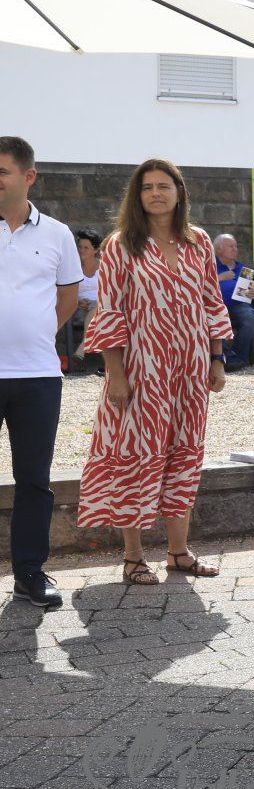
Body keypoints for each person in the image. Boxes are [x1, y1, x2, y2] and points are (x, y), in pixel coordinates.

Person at [77, 158, 229, 586]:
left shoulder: (198, 241)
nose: (156, 194)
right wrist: (116, 375)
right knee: (135, 455)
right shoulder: (121, 245)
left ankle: (178, 552)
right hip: (140, 369)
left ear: (179, 193)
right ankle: (133, 557)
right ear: (137, 196)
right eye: (147, 188)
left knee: (184, 453)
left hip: (190, 369)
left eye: (164, 186)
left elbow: (211, 301)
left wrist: (217, 358)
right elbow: (109, 313)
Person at [0, 136, 82, 607]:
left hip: (37, 375)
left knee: (33, 478)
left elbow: (68, 295)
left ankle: (29, 572)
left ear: (28, 176)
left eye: (2, 171)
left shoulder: (57, 234)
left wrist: (36, 332)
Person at [213, 233, 254, 369]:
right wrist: (220, 278)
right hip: (215, 306)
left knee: (251, 316)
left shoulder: (242, 268)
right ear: (219, 249)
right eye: (231, 246)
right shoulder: (210, 265)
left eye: (236, 246)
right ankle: (227, 355)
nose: (235, 249)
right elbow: (198, 285)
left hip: (239, 306)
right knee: (208, 318)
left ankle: (237, 359)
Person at [67, 228, 101, 364]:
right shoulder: (72, 267)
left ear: (96, 250)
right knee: (99, 308)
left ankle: (83, 346)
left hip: (101, 308)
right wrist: (77, 301)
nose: (82, 250)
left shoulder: (105, 266)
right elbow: (64, 291)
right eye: (80, 247)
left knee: (99, 306)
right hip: (80, 309)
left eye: (86, 248)